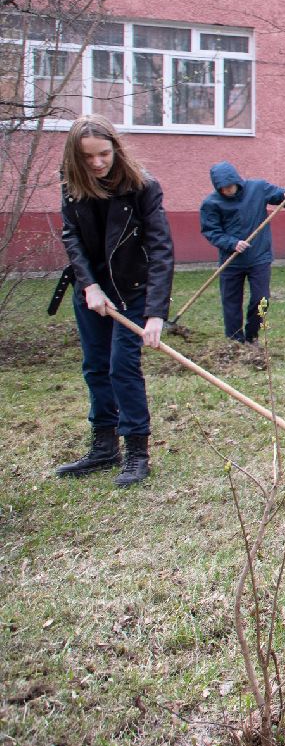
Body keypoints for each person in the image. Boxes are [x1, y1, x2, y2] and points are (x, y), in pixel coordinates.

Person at [54, 115, 174, 487]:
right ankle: (105, 447)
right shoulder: (72, 182)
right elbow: (71, 235)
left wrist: (155, 313)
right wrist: (88, 285)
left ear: (115, 149)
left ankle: (137, 452)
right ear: (76, 157)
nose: (96, 163)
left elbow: (160, 248)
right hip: (91, 291)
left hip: (131, 288)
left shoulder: (142, 185)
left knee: (122, 366)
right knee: (95, 366)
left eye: (103, 154)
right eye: (87, 156)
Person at [199, 163, 285, 343]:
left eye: (229, 186)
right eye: (222, 188)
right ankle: (235, 341)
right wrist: (232, 243)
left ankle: (252, 336)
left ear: (237, 181)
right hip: (231, 261)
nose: (227, 191)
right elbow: (211, 231)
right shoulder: (211, 203)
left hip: (259, 257)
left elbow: (281, 196)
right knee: (231, 303)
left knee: (261, 299)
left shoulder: (257, 188)